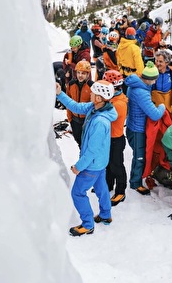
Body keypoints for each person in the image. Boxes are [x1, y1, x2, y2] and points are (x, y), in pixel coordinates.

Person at [55, 80, 117, 236]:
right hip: (100, 163)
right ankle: (105, 215)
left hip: (92, 164)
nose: (90, 93)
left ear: (99, 98)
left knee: (77, 193)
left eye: (93, 92)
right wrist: (59, 94)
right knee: (102, 188)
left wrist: (79, 167)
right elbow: (76, 107)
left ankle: (88, 224)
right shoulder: (95, 108)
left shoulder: (100, 122)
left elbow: (91, 151)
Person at [124, 62, 165, 195]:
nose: (154, 83)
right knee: (139, 157)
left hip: (131, 126)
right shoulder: (141, 92)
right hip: (138, 130)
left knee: (138, 155)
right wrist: (162, 106)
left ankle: (137, 178)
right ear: (148, 79)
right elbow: (155, 114)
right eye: (154, 80)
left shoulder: (135, 85)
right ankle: (135, 183)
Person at [103, 70, 128, 206]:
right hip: (110, 138)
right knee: (108, 164)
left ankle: (120, 191)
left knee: (117, 166)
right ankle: (108, 185)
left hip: (116, 139)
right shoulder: (113, 99)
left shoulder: (118, 104)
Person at [66, 61, 94, 148]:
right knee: (79, 142)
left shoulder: (92, 86)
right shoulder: (71, 84)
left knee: (87, 144)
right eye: (78, 73)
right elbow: (68, 102)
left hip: (86, 121)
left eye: (83, 73)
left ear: (88, 74)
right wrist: (70, 119)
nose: (80, 75)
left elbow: (94, 106)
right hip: (75, 121)